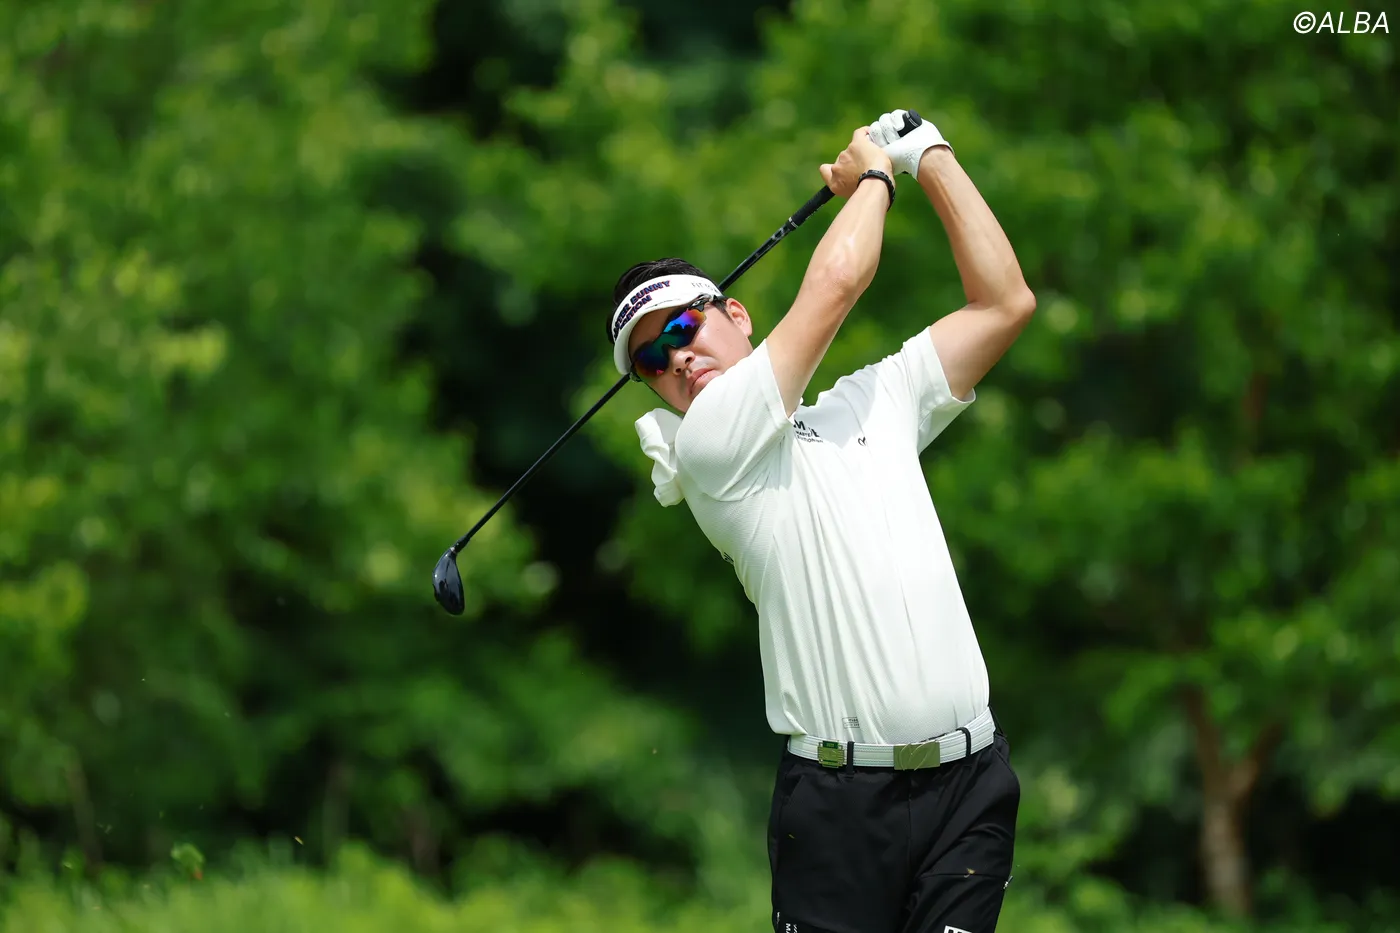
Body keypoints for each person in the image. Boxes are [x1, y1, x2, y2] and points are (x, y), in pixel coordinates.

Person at [607, 109, 1036, 933]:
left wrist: (929, 153)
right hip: (839, 809)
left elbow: (1004, 303)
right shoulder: (710, 447)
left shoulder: (869, 404)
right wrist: (874, 174)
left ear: (737, 315)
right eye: (653, 361)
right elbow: (837, 284)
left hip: (969, 785)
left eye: (683, 328)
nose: (677, 359)